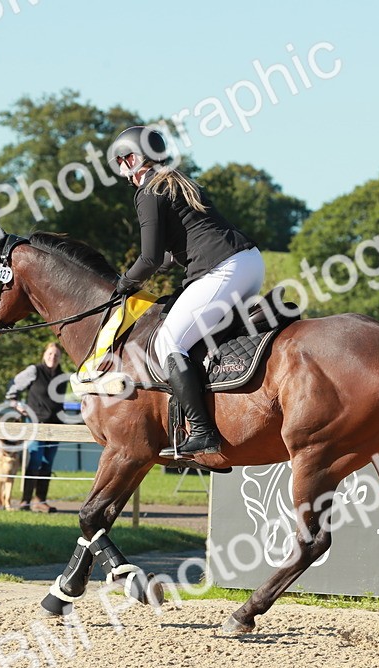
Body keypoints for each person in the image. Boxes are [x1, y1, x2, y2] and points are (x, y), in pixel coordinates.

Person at [108, 125, 265, 458]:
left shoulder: (149, 191)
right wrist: (154, 269)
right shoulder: (178, 182)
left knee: (169, 341)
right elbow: (168, 254)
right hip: (248, 264)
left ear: (134, 159)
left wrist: (125, 283)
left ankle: (204, 430)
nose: (125, 176)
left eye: (124, 165)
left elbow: (149, 257)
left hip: (221, 269)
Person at [5, 342, 67, 512]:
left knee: (47, 463)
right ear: (44, 355)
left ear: (60, 358)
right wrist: (16, 404)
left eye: (56, 355)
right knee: (35, 460)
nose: (52, 357)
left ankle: (40, 500)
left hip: (55, 427)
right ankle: (25, 501)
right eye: (50, 354)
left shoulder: (63, 377)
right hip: (35, 424)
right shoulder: (34, 371)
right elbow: (13, 386)